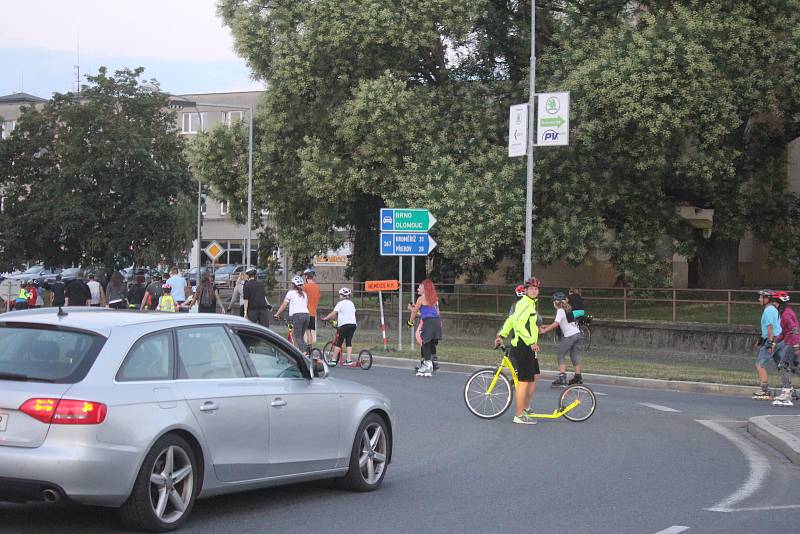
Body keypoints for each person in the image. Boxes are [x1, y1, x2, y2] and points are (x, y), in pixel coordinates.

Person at [494, 277, 542, 425]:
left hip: (528, 346)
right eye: (531, 288)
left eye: (536, 289)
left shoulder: (528, 304)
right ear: (526, 290)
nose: (534, 291)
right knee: (523, 381)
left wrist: (501, 334)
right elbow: (520, 325)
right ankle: (519, 415)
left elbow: (511, 320)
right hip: (523, 346)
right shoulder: (525, 305)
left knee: (535, 376)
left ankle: (525, 407)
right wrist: (531, 342)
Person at [539, 292, 584, 387]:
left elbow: (556, 323)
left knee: (560, 355)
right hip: (577, 333)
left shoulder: (560, 310)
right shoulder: (567, 309)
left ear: (556, 302)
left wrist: (545, 330)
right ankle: (578, 377)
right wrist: (546, 326)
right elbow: (561, 323)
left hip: (569, 335)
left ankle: (562, 378)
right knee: (574, 355)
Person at [408, 279, 443, 377]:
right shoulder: (435, 298)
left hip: (429, 322)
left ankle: (428, 364)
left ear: (425, 288)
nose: (419, 287)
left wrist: (410, 322)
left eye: (421, 286)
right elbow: (435, 312)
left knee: (425, 342)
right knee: (429, 342)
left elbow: (414, 312)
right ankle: (429, 363)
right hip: (436, 321)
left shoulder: (421, 298)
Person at [753, 289, 783, 400]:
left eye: (761, 297)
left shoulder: (768, 310)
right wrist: (761, 338)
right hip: (778, 340)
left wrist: (770, 343)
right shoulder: (773, 309)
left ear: (767, 299)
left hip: (772, 340)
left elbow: (770, 327)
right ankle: (789, 389)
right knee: (784, 366)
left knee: (760, 364)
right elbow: (770, 327)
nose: (759, 299)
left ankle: (765, 390)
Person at [772, 291, 799, 406]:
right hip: (791, 342)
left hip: (793, 344)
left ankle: (787, 393)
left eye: (774, 301)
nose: (773, 304)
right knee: (794, 368)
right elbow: (784, 332)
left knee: (783, 366)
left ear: (778, 303)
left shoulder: (786, 314)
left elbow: (794, 330)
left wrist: (797, 345)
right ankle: (791, 392)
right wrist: (775, 341)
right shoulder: (784, 312)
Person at [273, 275, 309, 353]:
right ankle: (307, 351)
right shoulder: (304, 294)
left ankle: (304, 352)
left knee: (297, 337)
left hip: (297, 315)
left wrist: (277, 314)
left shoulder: (291, 293)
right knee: (301, 337)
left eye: (292, 283)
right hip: (306, 315)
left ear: (293, 284)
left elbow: (284, 305)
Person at [322, 287, 358, 364]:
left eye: (340, 295)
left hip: (344, 325)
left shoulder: (340, 303)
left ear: (342, 295)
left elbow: (334, 313)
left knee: (339, 342)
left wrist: (326, 318)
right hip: (353, 325)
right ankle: (349, 360)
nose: (339, 296)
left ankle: (334, 360)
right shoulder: (351, 303)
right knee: (348, 341)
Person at [303, 268, 321, 353]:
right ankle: (310, 349)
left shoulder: (304, 287)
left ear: (306, 276)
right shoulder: (317, 287)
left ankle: (305, 350)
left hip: (305, 311)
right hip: (313, 312)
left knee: (303, 331)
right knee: (309, 331)